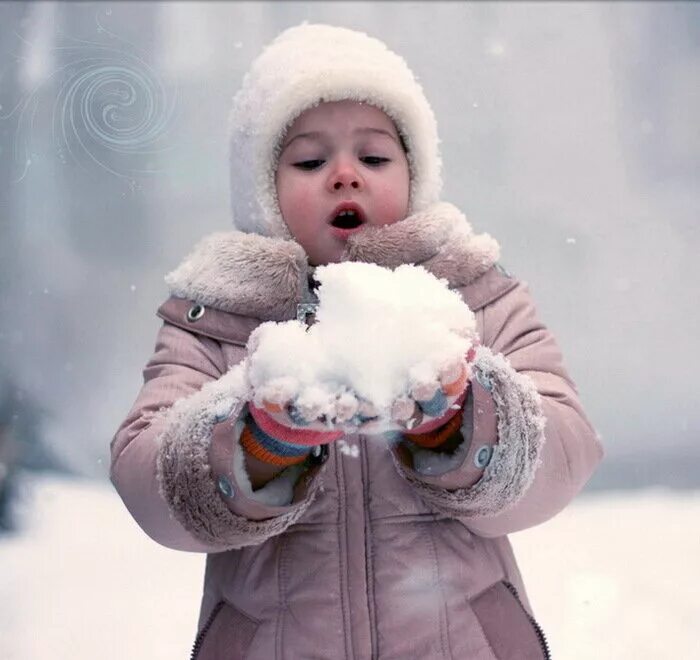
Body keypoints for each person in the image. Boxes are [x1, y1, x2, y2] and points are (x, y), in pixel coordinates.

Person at [111, 23, 603, 659]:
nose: (345, 175)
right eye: (310, 161)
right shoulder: (215, 315)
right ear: (263, 191)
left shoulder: (476, 293)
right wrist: (258, 442)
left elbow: (565, 449)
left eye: (373, 158)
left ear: (415, 175)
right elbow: (146, 482)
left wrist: (464, 420)